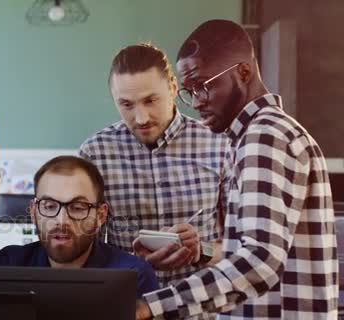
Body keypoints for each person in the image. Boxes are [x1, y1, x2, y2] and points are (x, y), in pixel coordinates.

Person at [136, 19, 338, 319]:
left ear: (243, 72)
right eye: (189, 91)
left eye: (203, 86)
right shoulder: (266, 133)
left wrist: (148, 307)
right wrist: (200, 251)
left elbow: (259, 259)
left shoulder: (265, 136)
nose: (197, 103)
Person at [79, 43, 230, 294]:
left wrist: (200, 251)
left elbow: (243, 247)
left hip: (202, 308)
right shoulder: (94, 154)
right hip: (127, 307)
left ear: (172, 87)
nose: (141, 118)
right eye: (126, 104)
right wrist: (133, 260)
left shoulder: (220, 143)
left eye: (151, 100)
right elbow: (84, 254)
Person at [0, 155, 159, 298]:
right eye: (49, 206)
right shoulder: (6, 266)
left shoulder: (133, 277)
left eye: (77, 208)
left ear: (100, 215)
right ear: (33, 211)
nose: (62, 221)